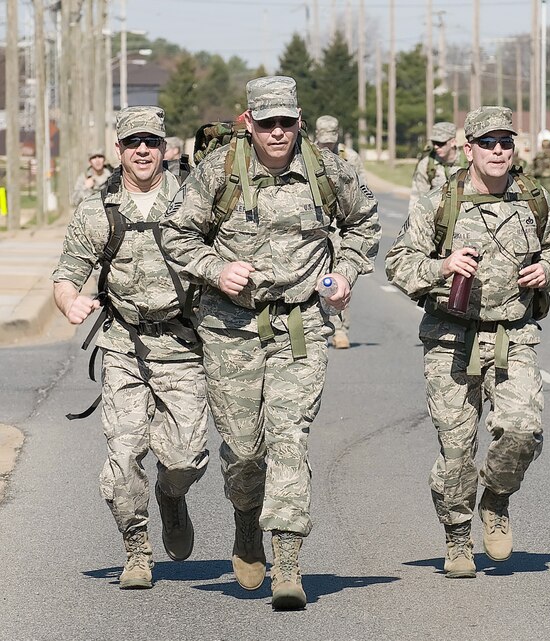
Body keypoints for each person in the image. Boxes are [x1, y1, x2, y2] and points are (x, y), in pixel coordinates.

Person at [160, 76, 380, 610]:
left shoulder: (328, 170)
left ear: (299, 121)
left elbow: (364, 224)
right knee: (243, 451)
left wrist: (345, 271)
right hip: (231, 327)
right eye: (267, 123)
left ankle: (287, 559)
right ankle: (245, 521)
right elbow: (175, 234)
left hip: (299, 326)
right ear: (249, 123)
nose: (278, 133)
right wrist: (216, 268)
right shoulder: (219, 171)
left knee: (289, 438)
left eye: (287, 122)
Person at [385, 106, 550, 579]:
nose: (498, 150)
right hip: (450, 337)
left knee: (523, 430)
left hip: (515, 334)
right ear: (468, 149)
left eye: (506, 142)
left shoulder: (533, 198)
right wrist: (441, 268)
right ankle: (457, 537)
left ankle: (497, 497)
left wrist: (548, 271)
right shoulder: (437, 203)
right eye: (487, 143)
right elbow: (399, 265)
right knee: (456, 448)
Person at [52, 106, 209, 590]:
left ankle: (170, 496)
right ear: (118, 150)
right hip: (124, 345)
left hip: (183, 345)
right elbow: (66, 274)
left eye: (152, 142)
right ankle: (137, 549)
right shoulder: (98, 211)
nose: (143, 150)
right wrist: (69, 302)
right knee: (122, 458)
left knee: (184, 458)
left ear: (165, 148)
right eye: (133, 142)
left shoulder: (195, 203)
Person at [314, 114, 367, 349]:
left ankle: (340, 330)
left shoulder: (350, 158)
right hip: (315, 227)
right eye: (323, 141)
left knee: (340, 277)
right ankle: (315, 326)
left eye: (330, 140)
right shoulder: (306, 155)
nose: (327, 145)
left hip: (340, 227)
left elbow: (362, 195)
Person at [407, 121, 460, 211]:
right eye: (434, 142)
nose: (436, 147)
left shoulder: (469, 161)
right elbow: (418, 198)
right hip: (436, 215)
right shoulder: (426, 164)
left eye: (440, 143)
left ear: (453, 142)